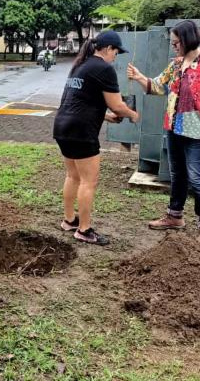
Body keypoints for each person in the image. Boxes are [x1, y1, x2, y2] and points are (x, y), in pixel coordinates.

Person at [127, 20, 200, 246]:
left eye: (175, 43)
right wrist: (139, 77)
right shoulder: (176, 65)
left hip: (199, 131)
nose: (173, 47)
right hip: (174, 128)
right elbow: (157, 86)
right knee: (178, 175)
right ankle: (175, 216)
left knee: (198, 178)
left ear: (187, 40)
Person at [53, 30, 139, 245]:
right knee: (88, 182)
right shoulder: (103, 68)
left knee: (73, 176)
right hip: (82, 132)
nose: (115, 57)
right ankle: (84, 229)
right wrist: (132, 114)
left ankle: (69, 220)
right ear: (108, 49)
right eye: (116, 52)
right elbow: (117, 104)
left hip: (63, 127)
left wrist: (108, 117)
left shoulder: (80, 65)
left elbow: (82, 101)